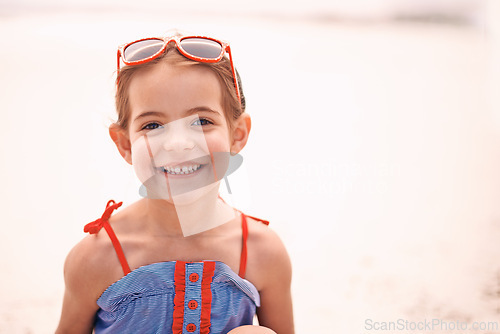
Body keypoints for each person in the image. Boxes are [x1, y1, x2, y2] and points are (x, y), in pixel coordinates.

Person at [55, 30, 294, 334]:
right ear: (125, 144)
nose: (178, 143)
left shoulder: (262, 252)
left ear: (237, 135)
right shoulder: (96, 257)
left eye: (201, 121)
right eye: (152, 125)